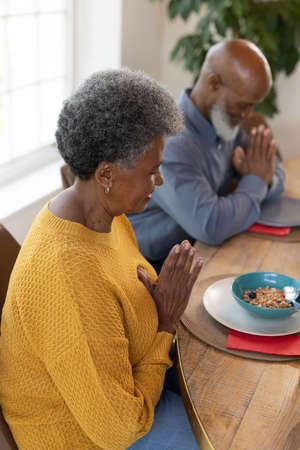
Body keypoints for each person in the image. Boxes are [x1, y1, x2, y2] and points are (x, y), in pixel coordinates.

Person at [0, 69, 203, 449]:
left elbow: (122, 305)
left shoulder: (105, 217)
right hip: (81, 437)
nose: (158, 183)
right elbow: (120, 430)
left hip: (131, 388)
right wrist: (165, 324)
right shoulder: (68, 272)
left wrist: (158, 310)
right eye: (152, 172)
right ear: (106, 173)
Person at [128, 39, 285, 270]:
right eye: (244, 105)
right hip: (151, 269)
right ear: (214, 83)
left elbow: (274, 172)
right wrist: (257, 179)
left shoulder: (223, 120)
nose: (248, 114)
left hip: (198, 251)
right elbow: (212, 224)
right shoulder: (170, 142)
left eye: (253, 106)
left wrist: (262, 178)